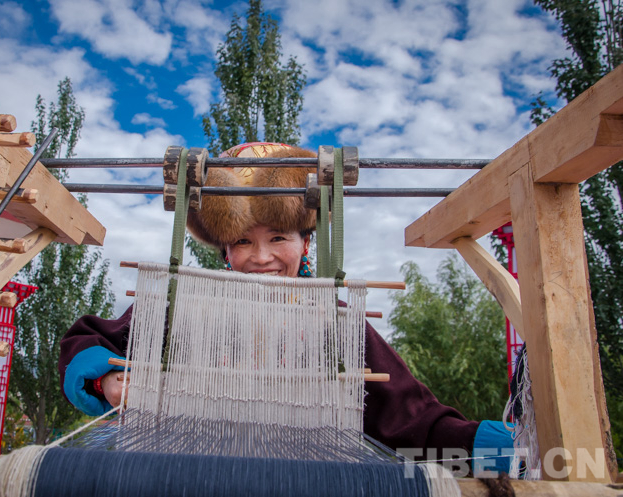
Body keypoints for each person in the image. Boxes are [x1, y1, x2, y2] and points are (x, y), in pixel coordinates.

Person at [58, 142, 513, 475]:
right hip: (187, 480)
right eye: (242, 241)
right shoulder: (183, 310)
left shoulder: (336, 324)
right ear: (224, 251)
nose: (261, 258)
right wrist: (108, 380)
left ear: (306, 242)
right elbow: (92, 341)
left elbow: (414, 422)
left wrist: (499, 449)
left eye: (278, 237)